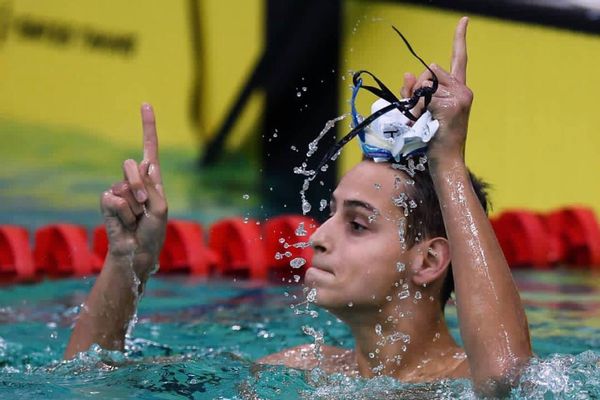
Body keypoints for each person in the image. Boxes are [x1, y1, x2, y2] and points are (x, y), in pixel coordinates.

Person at [65, 17, 532, 397]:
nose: (317, 238)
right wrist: (127, 263)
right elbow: (91, 382)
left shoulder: (459, 385)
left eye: (357, 224)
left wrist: (446, 159)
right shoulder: (299, 372)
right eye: (332, 214)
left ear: (427, 261)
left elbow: (505, 377)